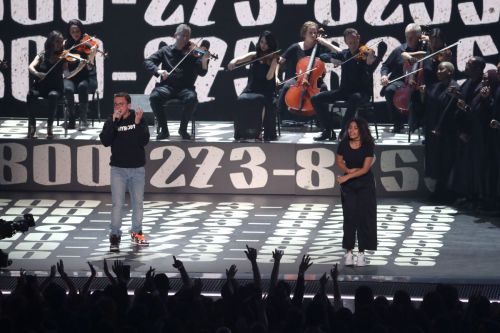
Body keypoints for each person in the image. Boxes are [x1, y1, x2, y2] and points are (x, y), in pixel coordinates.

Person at [99, 92, 150, 252]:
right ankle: (115, 235)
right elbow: (105, 141)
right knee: (117, 204)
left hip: (137, 169)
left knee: (138, 204)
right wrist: (114, 123)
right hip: (118, 170)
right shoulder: (111, 120)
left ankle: (136, 233)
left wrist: (136, 123)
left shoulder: (139, 118)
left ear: (128, 105)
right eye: (116, 104)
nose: (118, 107)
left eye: (121, 104)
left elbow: (144, 141)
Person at [311, 28, 379, 141]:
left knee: (355, 97)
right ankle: (328, 131)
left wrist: (370, 57)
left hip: (362, 94)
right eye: (350, 43)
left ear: (358, 38)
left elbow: (371, 60)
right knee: (315, 98)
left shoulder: (364, 54)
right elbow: (323, 56)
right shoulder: (344, 54)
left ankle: (343, 130)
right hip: (344, 92)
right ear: (346, 42)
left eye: (355, 42)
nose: (353, 45)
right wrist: (332, 60)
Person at [144, 23, 210, 140]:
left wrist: (204, 60)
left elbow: (202, 72)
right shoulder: (165, 50)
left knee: (192, 99)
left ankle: (183, 129)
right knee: (154, 97)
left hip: (185, 88)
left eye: (188, 36)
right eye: (183, 35)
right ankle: (164, 130)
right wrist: (159, 71)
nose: (186, 39)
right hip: (166, 87)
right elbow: (148, 61)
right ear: (175, 35)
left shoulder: (194, 52)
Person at [276, 21, 337, 123]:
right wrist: (276, 76)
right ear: (304, 34)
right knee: (286, 86)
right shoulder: (296, 47)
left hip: (315, 81)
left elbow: (337, 53)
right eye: (310, 33)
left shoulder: (320, 47)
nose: (313, 35)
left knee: (324, 88)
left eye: (315, 33)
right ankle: (278, 118)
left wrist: (325, 42)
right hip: (298, 79)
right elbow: (279, 61)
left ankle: (323, 121)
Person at [335, 117, 377, 266]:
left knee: (363, 218)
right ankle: (348, 252)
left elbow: (365, 169)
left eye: (355, 128)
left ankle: (361, 253)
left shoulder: (368, 145)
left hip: (365, 184)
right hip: (349, 187)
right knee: (349, 217)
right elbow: (339, 160)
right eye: (349, 128)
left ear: (361, 130)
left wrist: (347, 177)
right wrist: (347, 170)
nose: (351, 131)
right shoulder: (343, 144)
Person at [228, 30, 279, 141]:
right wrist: (233, 62)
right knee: (240, 99)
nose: (263, 45)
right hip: (251, 88)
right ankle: (241, 131)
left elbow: (269, 77)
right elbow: (238, 60)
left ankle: (258, 131)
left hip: (266, 90)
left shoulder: (273, 58)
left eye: (266, 43)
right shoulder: (254, 55)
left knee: (261, 101)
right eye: (261, 42)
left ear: (270, 44)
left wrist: (274, 63)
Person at [421, 62, 459, 202]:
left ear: (449, 72)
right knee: (434, 161)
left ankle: (445, 191)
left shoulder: (454, 88)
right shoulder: (434, 87)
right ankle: (436, 190)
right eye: (437, 69)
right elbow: (427, 107)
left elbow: (450, 111)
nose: (438, 71)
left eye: (441, 69)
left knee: (445, 161)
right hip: (432, 131)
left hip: (447, 133)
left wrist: (440, 127)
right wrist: (422, 95)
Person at [380, 23, 425, 133]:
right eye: (407, 37)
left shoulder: (426, 49)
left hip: (419, 82)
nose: (409, 40)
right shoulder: (399, 50)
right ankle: (398, 124)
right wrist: (384, 76)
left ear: (419, 37)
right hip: (401, 81)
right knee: (389, 90)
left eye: (412, 37)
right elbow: (386, 66)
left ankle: (421, 124)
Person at [27, 31, 66, 139]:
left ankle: (50, 127)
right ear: (51, 42)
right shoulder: (42, 54)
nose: (60, 44)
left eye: (61, 42)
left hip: (56, 88)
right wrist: (37, 73)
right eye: (57, 41)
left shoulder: (63, 56)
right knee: (31, 95)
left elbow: (68, 73)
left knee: (53, 96)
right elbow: (31, 67)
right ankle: (32, 126)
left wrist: (79, 66)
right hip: (41, 87)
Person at [63, 19, 98, 131]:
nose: (75, 34)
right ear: (69, 32)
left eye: (77, 31)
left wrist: (90, 59)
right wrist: (68, 74)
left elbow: (90, 68)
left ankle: (83, 119)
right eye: (72, 32)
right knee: (68, 89)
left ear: (81, 30)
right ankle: (72, 118)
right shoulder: (66, 44)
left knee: (82, 86)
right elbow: (64, 66)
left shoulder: (88, 43)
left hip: (88, 77)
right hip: (71, 77)